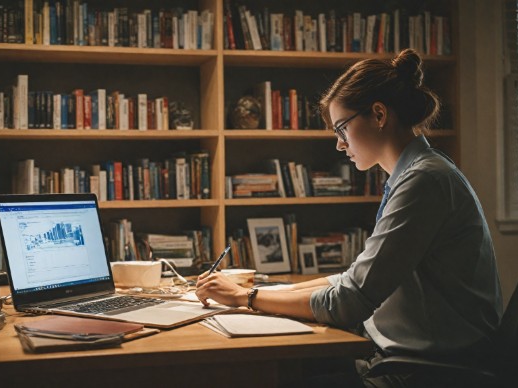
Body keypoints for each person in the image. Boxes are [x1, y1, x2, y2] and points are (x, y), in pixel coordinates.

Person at [195, 49, 502, 387]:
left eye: (341, 127)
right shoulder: (416, 173)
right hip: (404, 358)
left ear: (379, 114)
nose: (339, 144)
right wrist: (274, 290)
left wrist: (244, 298)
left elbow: (349, 301)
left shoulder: (424, 181)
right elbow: (354, 278)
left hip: (422, 372)